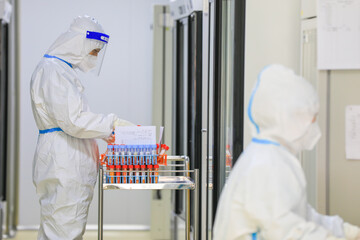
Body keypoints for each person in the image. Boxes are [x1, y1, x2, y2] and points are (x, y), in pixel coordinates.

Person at [213, 64, 360, 240]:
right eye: (312, 117)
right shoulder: (267, 164)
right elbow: (289, 233)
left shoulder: (271, 156)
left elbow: (303, 216)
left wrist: (349, 232)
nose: (314, 125)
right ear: (291, 118)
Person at [30, 15, 134, 239]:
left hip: (66, 162)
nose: (95, 58)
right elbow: (74, 120)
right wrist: (111, 125)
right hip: (64, 164)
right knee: (63, 230)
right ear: (79, 43)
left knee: (61, 227)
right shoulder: (53, 71)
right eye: (94, 51)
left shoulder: (59, 70)